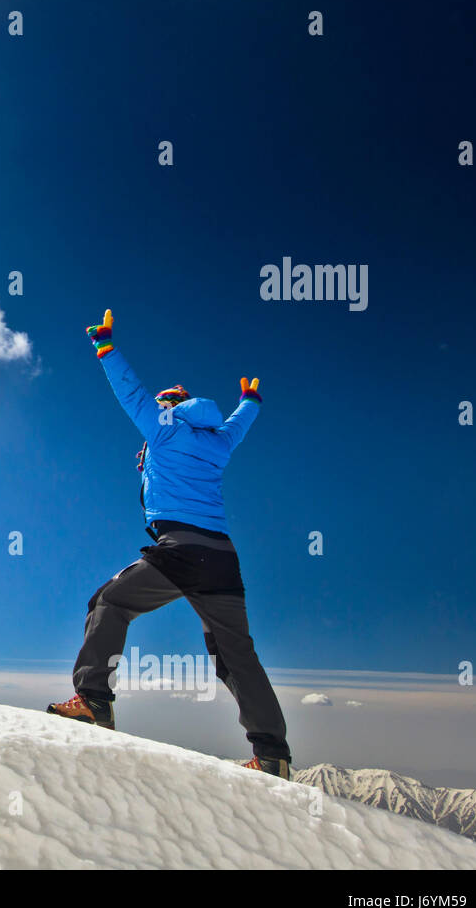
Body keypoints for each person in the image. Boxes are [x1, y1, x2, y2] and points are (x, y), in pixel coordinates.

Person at [47, 310, 293, 779]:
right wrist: (251, 400)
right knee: (236, 654)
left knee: (108, 602)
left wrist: (105, 347)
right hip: (222, 557)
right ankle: (272, 755)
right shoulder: (218, 441)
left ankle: (94, 701)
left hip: (180, 549)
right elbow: (238, 426)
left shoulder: (163, 426)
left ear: (170, 404)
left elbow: (130, 393)